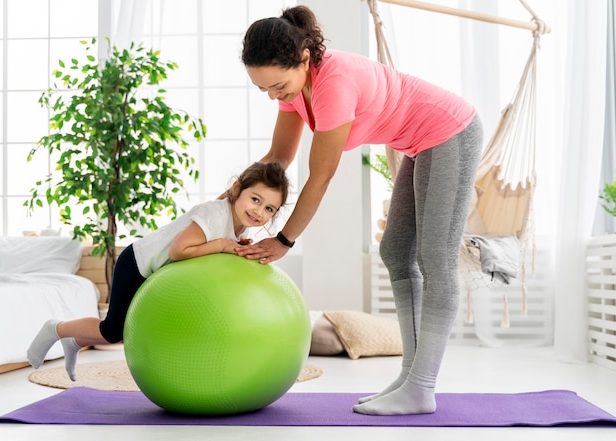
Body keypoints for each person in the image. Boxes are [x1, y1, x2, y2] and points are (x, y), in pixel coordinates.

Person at [235, 6, 483, 416]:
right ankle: (409, 379)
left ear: (304, 59)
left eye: (276, 85)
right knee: (396, 252)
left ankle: (421, 387)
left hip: (450, 132)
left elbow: (321, 176)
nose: (273, 95)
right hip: (421, 144)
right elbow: (278, 160)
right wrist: (238, 196)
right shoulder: (295, 90)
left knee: (436, 258)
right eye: (264, 89)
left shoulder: (333, 84)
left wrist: (283, 240)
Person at [27, 161, 290, 381]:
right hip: (136, 264)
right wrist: (222, 245)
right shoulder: (213, 213)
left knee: (116, 331)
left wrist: (232, 244)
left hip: (155, 275)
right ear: (236, 190)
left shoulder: (236, 224)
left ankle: (74, 343)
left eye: (269, 209)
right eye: (255, 199)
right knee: (112, 332)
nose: (259, 211)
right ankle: (57, 329)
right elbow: (179, 251)